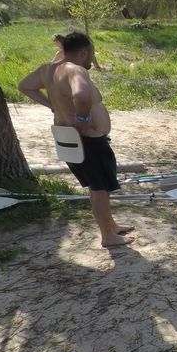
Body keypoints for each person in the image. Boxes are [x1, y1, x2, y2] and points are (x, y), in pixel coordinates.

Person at [18, 31, 134, 248]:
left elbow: (25, 86)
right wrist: (81, 119)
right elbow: (81, 95)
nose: (92, 58)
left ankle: (111, 226)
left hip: (67, 136)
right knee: (99, 188)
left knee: (95, 186)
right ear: (83, 53)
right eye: (91, 54)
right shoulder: (75, 70)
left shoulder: (47, 70)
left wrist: (52, 104)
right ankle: (108, 236)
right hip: (87, 140)